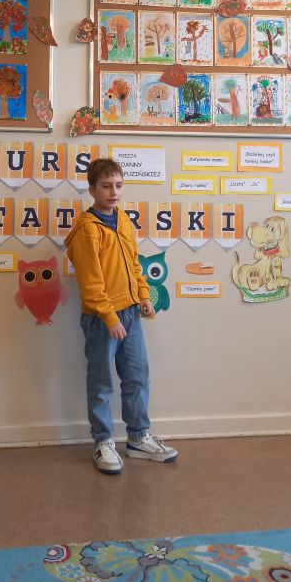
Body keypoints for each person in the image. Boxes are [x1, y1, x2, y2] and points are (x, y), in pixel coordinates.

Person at [64, 157, 178, 474]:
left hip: (130, 313)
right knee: (101, 383)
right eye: (106, 186)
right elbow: (90, 282)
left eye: (118, 185)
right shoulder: (88, 229)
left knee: (137, 377)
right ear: (92, 189)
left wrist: (143, 296)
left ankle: (138, 437)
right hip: (102, 320)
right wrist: (109, 317)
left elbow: (134, 264)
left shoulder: (124, 221)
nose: (113, 192)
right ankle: (103, 441)